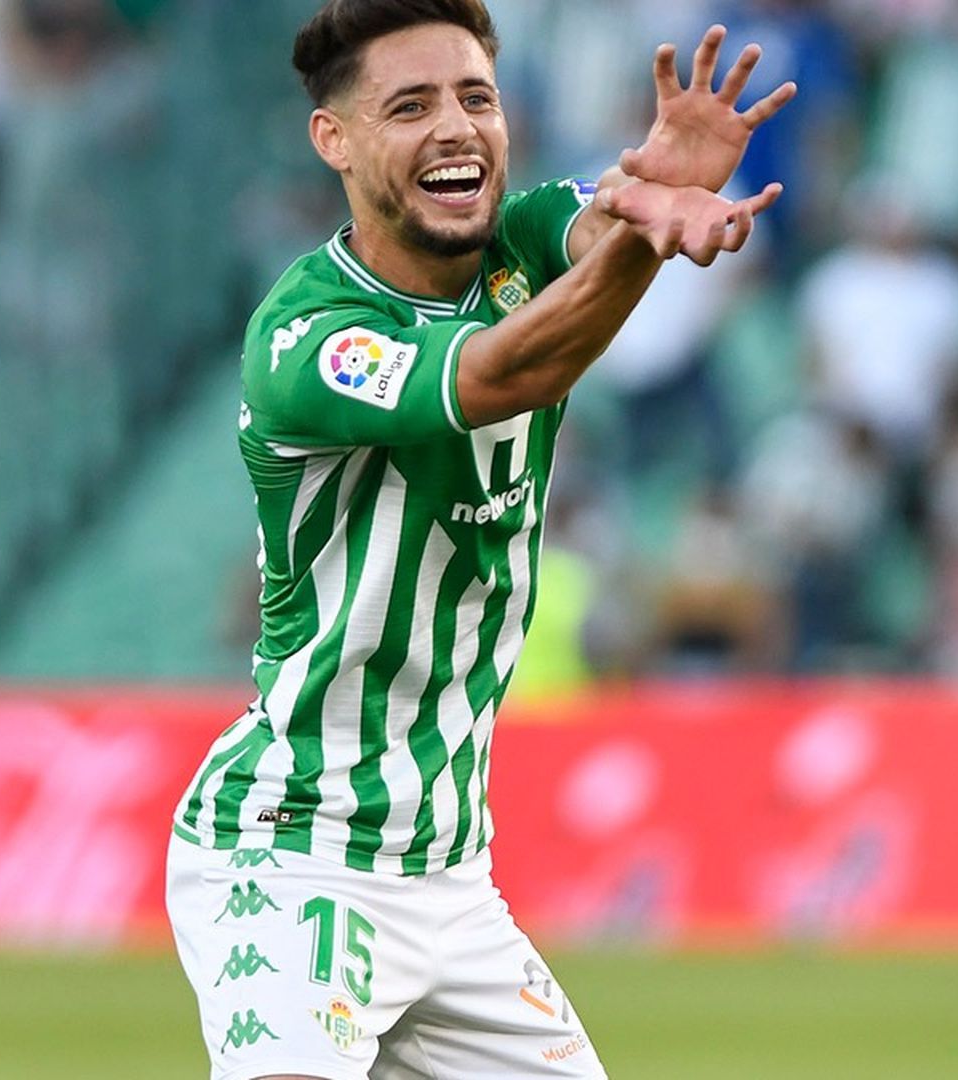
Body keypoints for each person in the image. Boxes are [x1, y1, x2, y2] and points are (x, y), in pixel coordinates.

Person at [164, 3, 793, 1078]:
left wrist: (649, 206)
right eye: (409, 106)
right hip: (294, 855)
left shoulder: (527, 232)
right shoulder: (305, 336)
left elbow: (595, 228)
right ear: (337, 141)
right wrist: (643, 234)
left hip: (451, 875)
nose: (456, 127)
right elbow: (504, 373)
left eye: (476, 98)